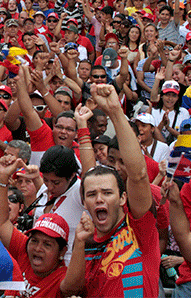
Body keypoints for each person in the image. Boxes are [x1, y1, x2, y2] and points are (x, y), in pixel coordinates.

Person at [62, 84, 159, 296]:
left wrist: (115, 111)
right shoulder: (86, 243)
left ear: (123, 197)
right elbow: (69, 289)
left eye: (107, 193)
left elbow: (138, 175)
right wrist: (79, 243)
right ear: (84, 203)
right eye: (91, 195)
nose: (99, 199)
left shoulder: (139, 229)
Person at [0, 155, 70, 297]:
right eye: (34, 240)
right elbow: (1, 221)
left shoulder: (64, 280)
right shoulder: (24, 249)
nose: (38, 248)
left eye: (47, 244)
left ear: (62, 252)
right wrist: (2, 178)